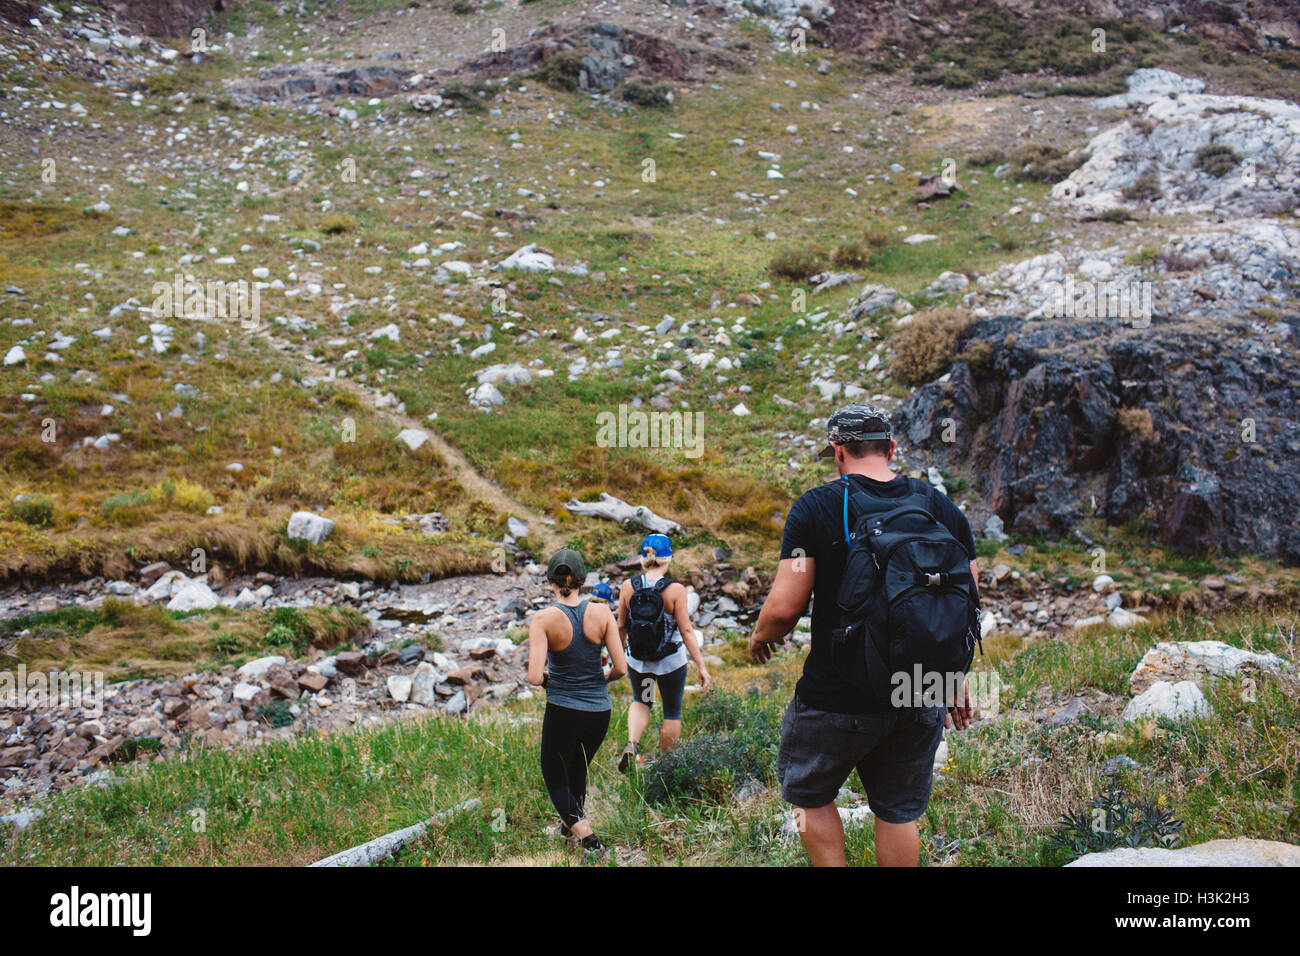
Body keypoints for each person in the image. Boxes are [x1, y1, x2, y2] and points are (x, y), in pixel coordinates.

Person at [747, 403, 978, 867]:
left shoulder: (816, 508)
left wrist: (760, 639)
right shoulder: (939, 506)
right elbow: (965, 597)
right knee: (897, 810)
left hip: (837, 694)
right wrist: (951, 673)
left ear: (838, 452)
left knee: (810, 795)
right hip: (918, 690)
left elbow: (785, 606)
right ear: (892, 448)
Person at [527, 548, 627, 854]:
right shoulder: (601, 613)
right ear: (583, 579)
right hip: (600, 711)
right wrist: (600, 679)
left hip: (563, 709)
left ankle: (588, 838)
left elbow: (533, 676)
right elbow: (621, 668)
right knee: (577, 769)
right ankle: (567, 828)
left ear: (550, 581)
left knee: (553, 771)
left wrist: (550, 681)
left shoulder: (543, 619)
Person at [615, 533, 712, 773]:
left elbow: (619, 625)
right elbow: (686, 630)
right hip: (670, 663)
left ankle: (632, 743)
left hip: (640, 662)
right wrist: (702, 666)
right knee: (671, 710)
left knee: (642, 700)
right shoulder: (675, 590)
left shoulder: (629, 586)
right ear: (668, 558)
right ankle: (667, 767)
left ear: (643, 557)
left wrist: (619, 657)